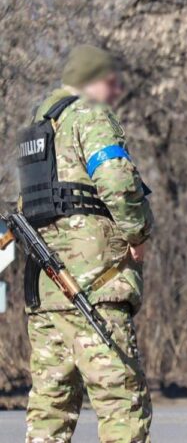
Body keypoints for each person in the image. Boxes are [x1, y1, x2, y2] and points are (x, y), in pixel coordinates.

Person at [20, 45, 154, 442]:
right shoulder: (89, 113)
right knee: (121, 400)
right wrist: (137, 232)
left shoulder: (36, 131)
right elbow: (115, 178)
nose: (114, 94)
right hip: (94, 283)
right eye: (111, 84)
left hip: (46, 287)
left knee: (50, 407)